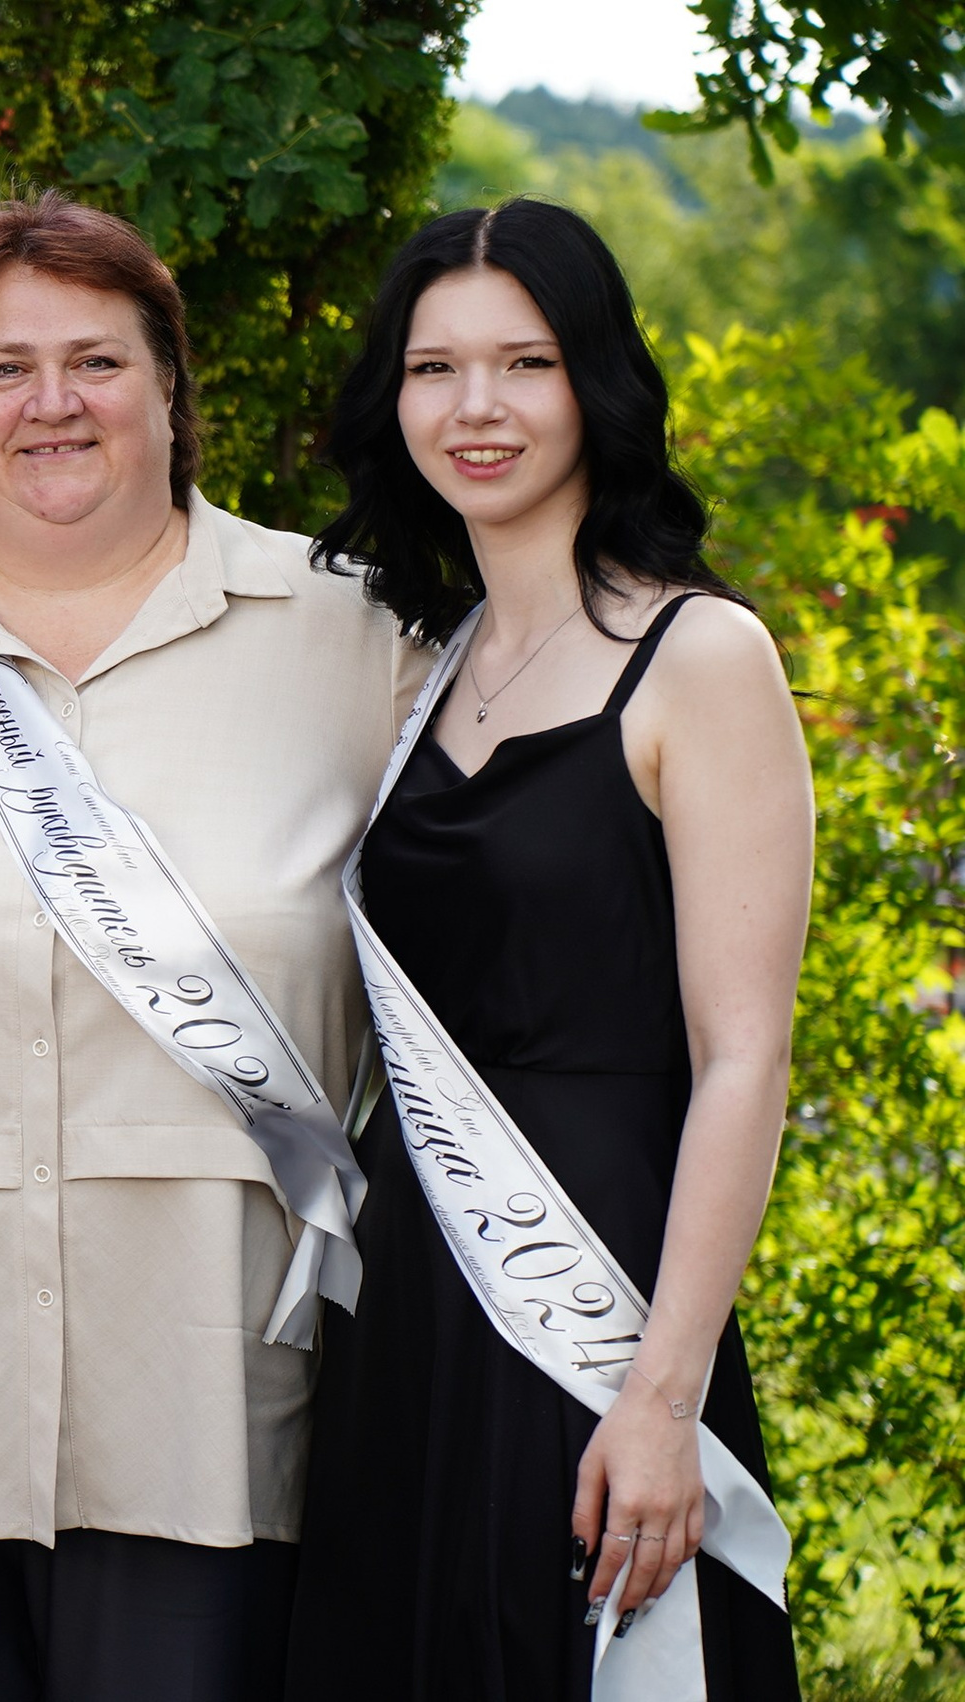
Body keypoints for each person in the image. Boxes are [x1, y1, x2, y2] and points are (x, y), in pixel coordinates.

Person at [0, 191, 426, 1701]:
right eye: (4, 367)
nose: (54, 403)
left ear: (173, 388)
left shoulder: (352, 635)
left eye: (98, 361)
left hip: (215, 1402)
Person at [285, 198, 808, 1700]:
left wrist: (664, 1392)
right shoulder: (424, 673)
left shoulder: (699, 657)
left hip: (601, 1294)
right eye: (434, 367)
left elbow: (743, 1054)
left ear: (597, 381)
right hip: (414, 1307)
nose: (477, 408)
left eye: (524, 362)